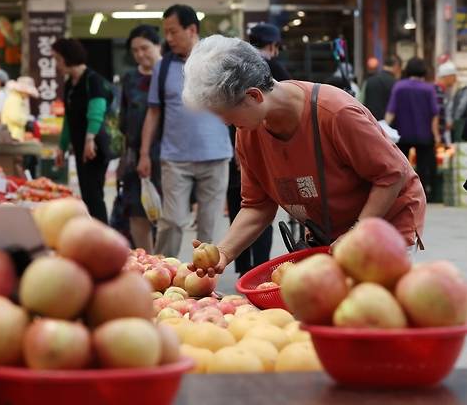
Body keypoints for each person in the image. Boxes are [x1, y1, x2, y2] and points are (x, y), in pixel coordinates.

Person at [181, 36, 425, 277]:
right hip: (329, 235)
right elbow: (257, 206)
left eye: (226, 114)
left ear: (254, 96)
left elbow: (391, 175)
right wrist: (223, 251)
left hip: (386, 225)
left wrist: (357, 232)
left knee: (371, 309)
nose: (225, 123)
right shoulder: (247, 133)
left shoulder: (335, 113)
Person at [136, 5, 233, 258]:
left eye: (173, 32)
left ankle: (202, 280)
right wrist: (144, 153)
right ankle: (160, 273)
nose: (167, 38)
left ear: (191, 30)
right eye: (165, 32)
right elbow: (154, 111)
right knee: (173, 222)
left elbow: (237, 106)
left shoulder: (217, 61)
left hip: (216, 155)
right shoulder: (164, 66)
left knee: (208, 227)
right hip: (175, 158)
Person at [226, 22, 291, 275]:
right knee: (261, 206)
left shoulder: (233, 69)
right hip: (261, 151)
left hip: (238, 150)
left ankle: (243, 267)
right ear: (273, 46)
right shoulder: (274, 71)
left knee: (242, 205)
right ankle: (260, 268)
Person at [53, 39, 113, 223]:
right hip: (80, 147)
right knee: (87, 195)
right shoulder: (71, 84)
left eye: (57, 59)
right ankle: (94, 235)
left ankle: (102, 237)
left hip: (94, 147)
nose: (56, 64)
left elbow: (97, 111)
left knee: (94, 196)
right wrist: (62, 147)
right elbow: (68, 119)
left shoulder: (92, 80)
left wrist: (89, 139)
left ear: (67, 58)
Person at [118, 25, 162, 252]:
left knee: (165, 215)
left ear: (158, 46)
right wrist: (124, 158)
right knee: (136, 211)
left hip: (166, 154)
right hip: (136, 156)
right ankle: (150, 263)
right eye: (135, 51)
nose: (140, 54)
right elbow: (124, 119)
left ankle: (168, 266)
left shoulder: (170, 74)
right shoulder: (130, 79)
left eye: (145, 48)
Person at [385, 58, 441, 199]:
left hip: (403, 133)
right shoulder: (429, 88)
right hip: (424, 134)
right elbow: (434, 114)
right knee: (423, 166)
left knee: (403, 165)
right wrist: (436, 135)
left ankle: (403, 193)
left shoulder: (399, 86)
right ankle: (422, 194)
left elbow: (391, 111)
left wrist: (384, 128)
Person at [362, 55, 402, 121]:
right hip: (388, 126)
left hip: (370, 123)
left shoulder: (369, 81)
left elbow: (362, 102)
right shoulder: (396, 84)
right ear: (396, 66)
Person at [2, 76, 38, 141]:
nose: (28, 95)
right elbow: (15, 117)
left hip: (13, 134)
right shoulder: (15, 100)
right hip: (14, 135)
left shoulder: (15, 98)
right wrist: (26, 119)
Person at [435, 61, 458, 143]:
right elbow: (436, 114)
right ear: (447, 76)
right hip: (438, 138)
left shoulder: (441, 91)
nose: (455, 79)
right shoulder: (437, 92)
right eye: (454, 76)